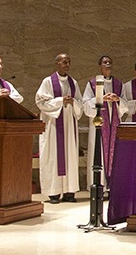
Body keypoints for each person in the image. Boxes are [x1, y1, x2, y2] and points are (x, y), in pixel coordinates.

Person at [35, 54, 83, 204]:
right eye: (64, 62)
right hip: (54, 124)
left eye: (69, 62)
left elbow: (80, 103)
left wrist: (73, 101)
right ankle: (53, 192)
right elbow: (40, 101)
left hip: (69, 124)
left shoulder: (73, 82)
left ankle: (69, 191)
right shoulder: (48, 82)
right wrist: (60, 100)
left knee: (69, 155)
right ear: (57, 64)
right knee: (53, 156)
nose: (67, 64)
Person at [82, 56, 128, 187]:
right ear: (100, 66)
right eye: (105, 62)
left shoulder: (119, 84)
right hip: (99, 126)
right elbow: (85, 105)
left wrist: (117, 99)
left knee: (115, 154)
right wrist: (101, 98)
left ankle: (113, 185)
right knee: (99, 152)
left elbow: (126, 105)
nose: (107, 64)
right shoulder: (92, 84)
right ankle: (99, 185)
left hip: (114, 125)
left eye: (109, 62)